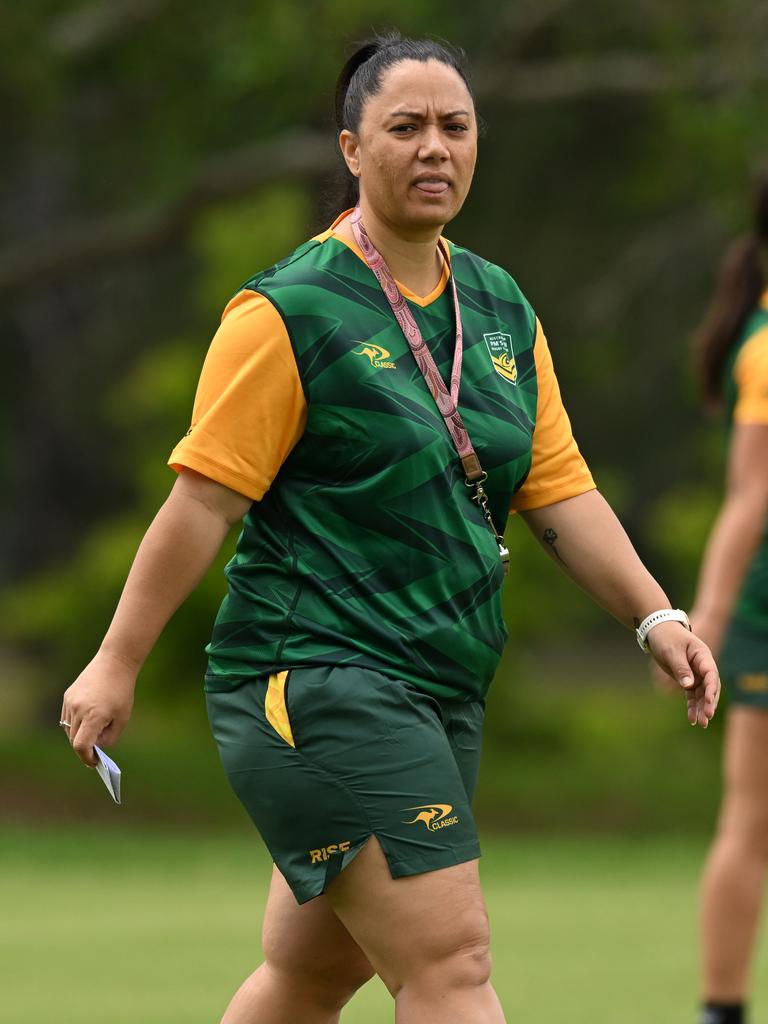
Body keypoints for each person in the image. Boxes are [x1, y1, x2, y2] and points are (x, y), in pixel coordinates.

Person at [60, 33, 720, 1024]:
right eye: (403, 127)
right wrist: (115, 663)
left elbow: (559, 487)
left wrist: (654, 616)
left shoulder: (500, 306)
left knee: (312, 974)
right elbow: (202, 502)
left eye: (455, 127)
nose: (434, 148)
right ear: (351, 149)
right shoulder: (290, 310)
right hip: (316, 676)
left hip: (437, 681)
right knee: (452, 962)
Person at [686, 179, 768, 1024]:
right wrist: (702, 624)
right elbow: (751, 498)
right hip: (765, 620)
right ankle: (723, 1011)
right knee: (751, 823)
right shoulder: (767, 345)